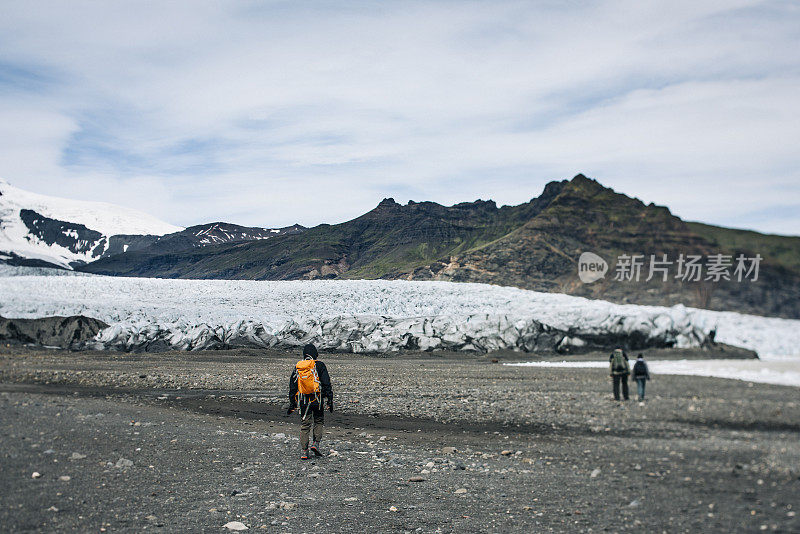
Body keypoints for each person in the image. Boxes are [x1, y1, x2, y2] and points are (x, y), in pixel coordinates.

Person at [287, 343, 333, 460]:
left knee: (305, 425)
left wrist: (292, 403)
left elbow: (293, 386)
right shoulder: (320, 365)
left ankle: (304, 451)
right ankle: (316, 444)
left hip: (303, 401)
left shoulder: (299, 367)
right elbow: (326, 383)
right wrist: (330, 400)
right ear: (315, 354)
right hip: (317, 399)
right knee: (318, 421)